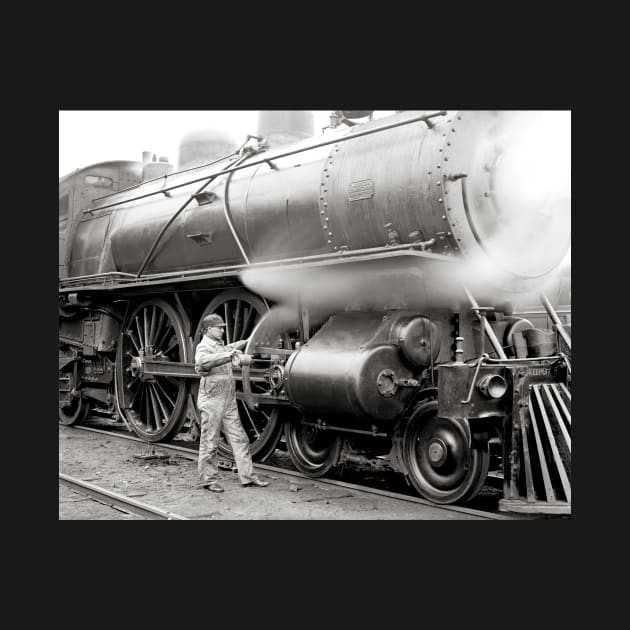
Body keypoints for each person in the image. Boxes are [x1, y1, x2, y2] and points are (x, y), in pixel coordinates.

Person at [195, 313, 270, 493]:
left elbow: (230, 347)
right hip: (212, 401)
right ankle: (208, 480)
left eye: (222, 327)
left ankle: (248, 477)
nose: (222, 330)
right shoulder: (203, 346)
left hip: (228, 400)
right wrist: (229, 356)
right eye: (219, 327)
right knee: (210, 441)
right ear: (208, 329)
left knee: (240, 438)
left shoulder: (220, 345)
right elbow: (203, 361)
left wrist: (247, 341)